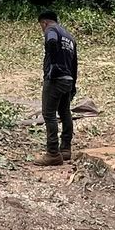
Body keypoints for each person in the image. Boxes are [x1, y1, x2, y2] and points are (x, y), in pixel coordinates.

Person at [40, 10, 79, 162]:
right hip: (68, 79)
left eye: (41, 26)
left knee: (49, 114)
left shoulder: (51, 29)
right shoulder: (70, 37)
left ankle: (53, 153)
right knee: (65, 113)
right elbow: (74, 64)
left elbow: (51, 40)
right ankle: (66, 149)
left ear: (44, 22)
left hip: (55, 79)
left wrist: (53, 65)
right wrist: (73, 84)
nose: (42, 29)